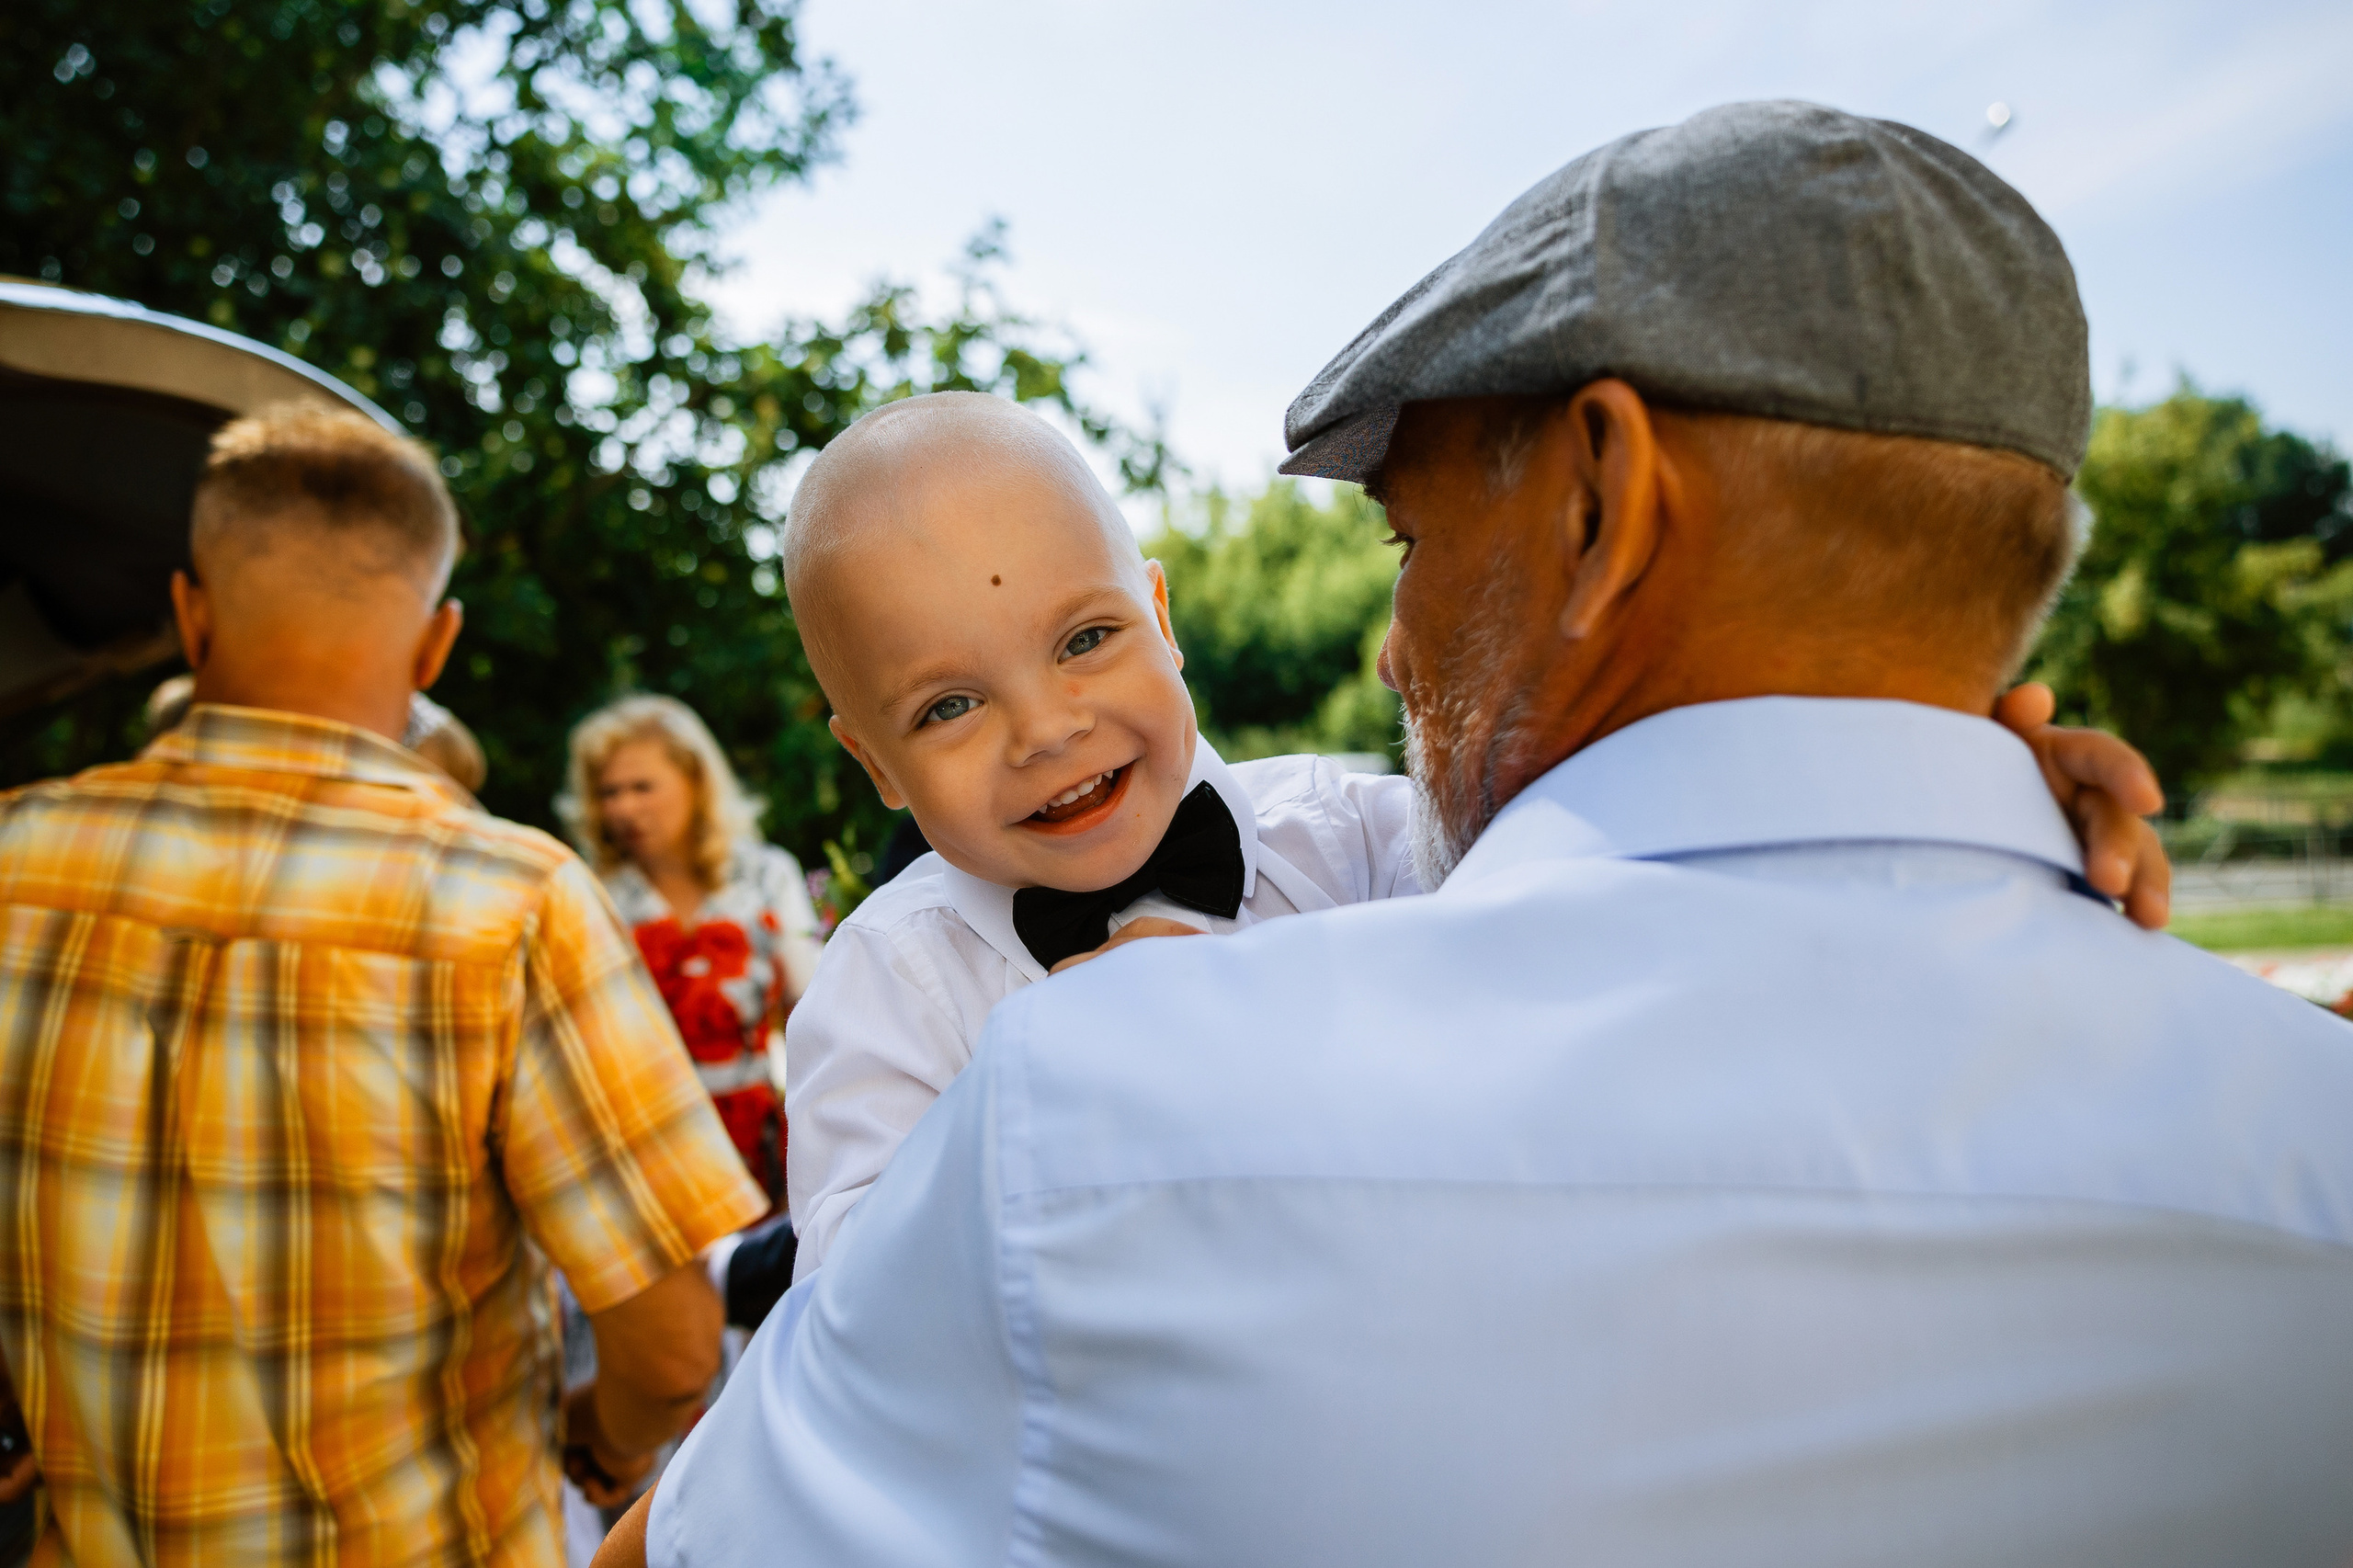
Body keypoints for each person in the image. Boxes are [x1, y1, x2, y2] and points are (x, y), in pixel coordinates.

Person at [608, 103, 2353, 1567]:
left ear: (1603, 497)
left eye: (1407, 541)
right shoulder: (2311, 1150)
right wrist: (1934, 788)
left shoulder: (1095, 1123)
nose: (1390, 646)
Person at [770, 390, 2168, 1279]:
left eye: (1085, 639)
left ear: (1164, 617)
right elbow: (850, 1305)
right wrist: (1043, 1091)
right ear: (876, 764)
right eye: (950, 704)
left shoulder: (1361, 839)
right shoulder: (892, 986)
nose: (1046, 727)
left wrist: (1944, 799)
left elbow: (1653, 891)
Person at [0, 405, 767, 1566]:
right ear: (434, 647)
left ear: (189, 613)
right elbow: (668, 1346)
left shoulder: (16, 860)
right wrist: (598, 1444)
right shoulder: (511, 900)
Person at [559, 696, 824, 1216]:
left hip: (765, 1143)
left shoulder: (766, 874)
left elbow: (814, 1009)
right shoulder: (592, 893)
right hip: (642, 1151)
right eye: (608, 792)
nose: (623, 808)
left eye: (641, 787)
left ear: (696, 783)